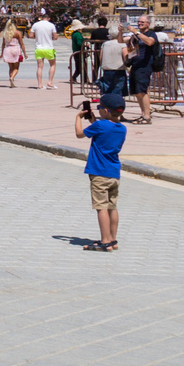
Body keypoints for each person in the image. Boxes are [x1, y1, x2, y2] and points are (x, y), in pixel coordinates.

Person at [75, 93, 128, 251]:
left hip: (99, 172)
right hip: (114, 173)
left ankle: (105, 241)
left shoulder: (100, 126)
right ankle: (112, 239)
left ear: (105, 111)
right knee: (112, 206)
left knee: (101, 207)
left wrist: (78, 118)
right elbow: (104, 131)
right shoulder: (122, 128)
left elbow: (79, 134)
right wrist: (93, 120)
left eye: (99, 108)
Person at [28, 13, 59, 90]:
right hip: (49, 48)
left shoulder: (35, 25)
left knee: (40, 67)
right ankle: (50, 82)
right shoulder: (51, 25)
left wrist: (37, 37)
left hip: (39, 48)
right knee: (52, 65)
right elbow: (55, 37)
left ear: (42, 18)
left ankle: (40, 84)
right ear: (48, 18)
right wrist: (51, 37)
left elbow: (31, 36)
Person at [98, 24, 128, 99]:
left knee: (108, 89)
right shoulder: (122, 44)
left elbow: (101, 57)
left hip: (107, 69)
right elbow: (126, 57)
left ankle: (108, 105)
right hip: (119, 70)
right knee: (118, 90)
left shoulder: (105, 44)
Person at [0, 17, 26, 88]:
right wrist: (25, 53)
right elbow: (21, 44)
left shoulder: (5, 33)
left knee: (10, 67)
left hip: (7, 50)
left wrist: (2, 53)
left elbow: (3, 44)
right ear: (16, 25)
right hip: (15, 49)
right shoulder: (17, 33)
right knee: (16, 68)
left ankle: (12, 81)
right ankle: (12, 78)